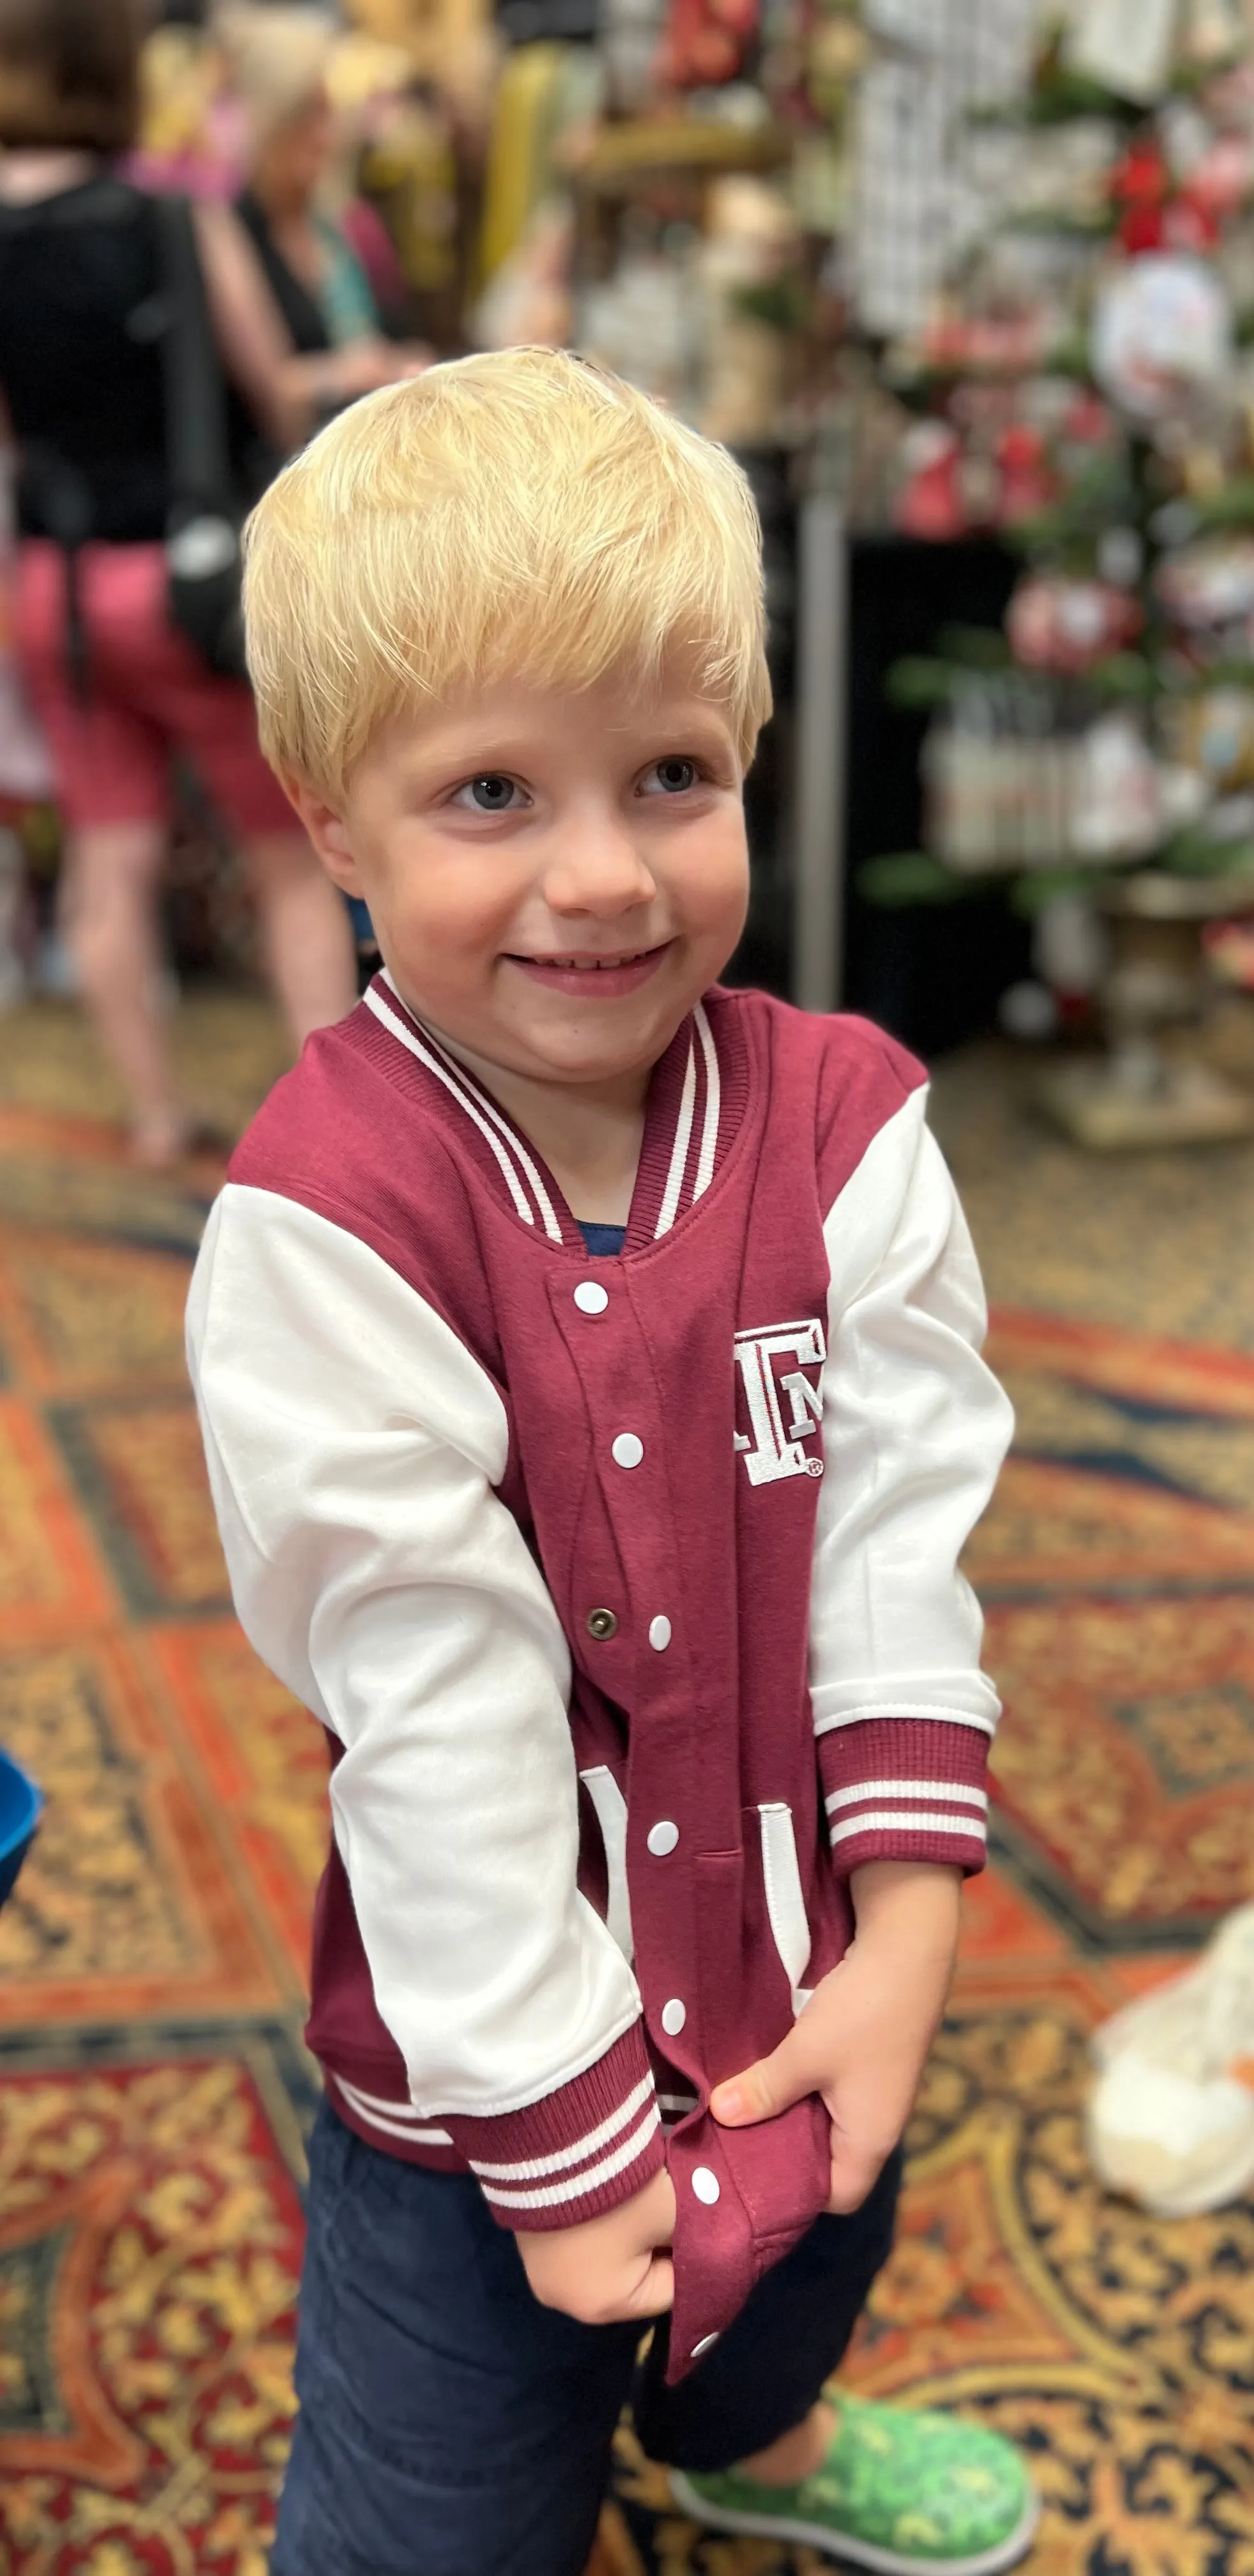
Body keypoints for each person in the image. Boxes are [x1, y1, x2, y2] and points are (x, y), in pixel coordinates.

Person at [186, 349, 1037, 2576]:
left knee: (790, 2308)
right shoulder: (327, 1221)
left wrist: (909, 1937)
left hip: (809, 2003)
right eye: (489, 794)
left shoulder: (851, 1130)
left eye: (668, 772)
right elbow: (436, 1703)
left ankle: (740, 2438)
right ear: (330, 815)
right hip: (478, 2117)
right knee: (435, 2512)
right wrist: (564, 2149)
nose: (600, 873)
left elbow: (895, 1538)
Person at [0, 0, 358, 1165]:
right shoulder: (169, 216)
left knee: (110, 857)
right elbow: (276, 389)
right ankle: (335, 1122)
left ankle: (154, 1112)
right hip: (186, 578)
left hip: (54, 586)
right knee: (289, 855)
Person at [223, 4, 426, 441]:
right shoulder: (228, 235)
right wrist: (341, 374)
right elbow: (250, 392)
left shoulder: (346, 227)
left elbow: (399, 334)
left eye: (327, 114)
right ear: (270, 120)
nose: (324, 136)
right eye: (306, 115)